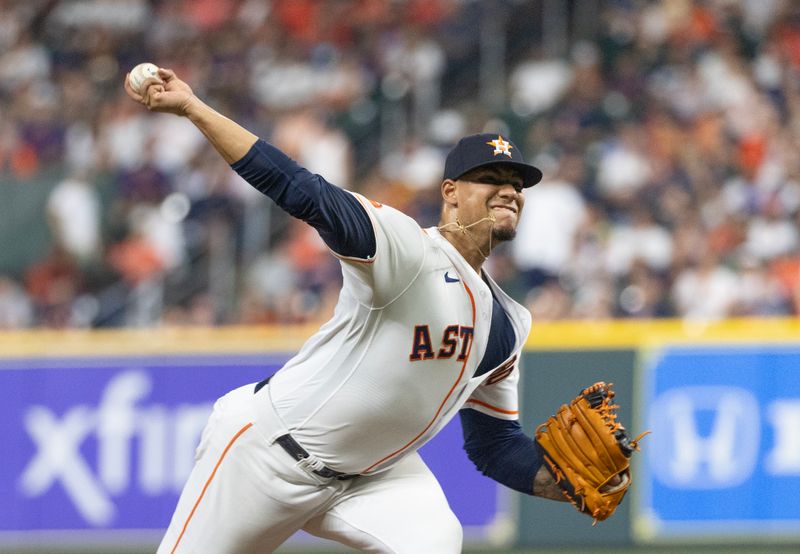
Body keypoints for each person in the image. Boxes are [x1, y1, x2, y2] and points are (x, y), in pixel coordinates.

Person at [125, 67, 572, 554]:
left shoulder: (508, 326)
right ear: (450, 193)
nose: (509, 190)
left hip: (374, 478)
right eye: (491, 178)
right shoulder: (405, 249)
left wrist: (566, 481)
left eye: (517, 183)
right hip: (269, 454)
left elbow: (497, 446)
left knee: (437, 540)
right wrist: (194, 107)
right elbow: (302, 190)